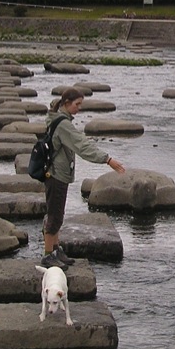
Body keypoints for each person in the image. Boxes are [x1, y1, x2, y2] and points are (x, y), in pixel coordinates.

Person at [40, 87, 125, 267]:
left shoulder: (59, 119)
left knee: (58, 214)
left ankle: (56, 251)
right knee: (54, 216)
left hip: (58, 174)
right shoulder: (63, 124)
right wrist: (107, 159)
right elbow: (82, 146)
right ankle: (48, 256)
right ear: (66, 103)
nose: (79, 108)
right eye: (77, 104)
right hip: (56, 175)